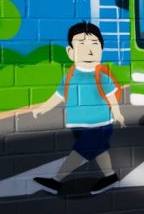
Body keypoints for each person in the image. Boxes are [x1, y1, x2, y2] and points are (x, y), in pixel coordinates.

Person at [32, 22, 126, 195]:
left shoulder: (101, 76)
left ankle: (56, 181)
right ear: (70, 52)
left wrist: (117, 114)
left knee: (80, 151)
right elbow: (58, 96)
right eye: (82, 45)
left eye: (94, 45)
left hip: (100, 124)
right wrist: (43, 108)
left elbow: (112, 97)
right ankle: (110, 176)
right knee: (99, 150)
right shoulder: (69, 75)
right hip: (77, 125)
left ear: (101, 50)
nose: (89, 51)